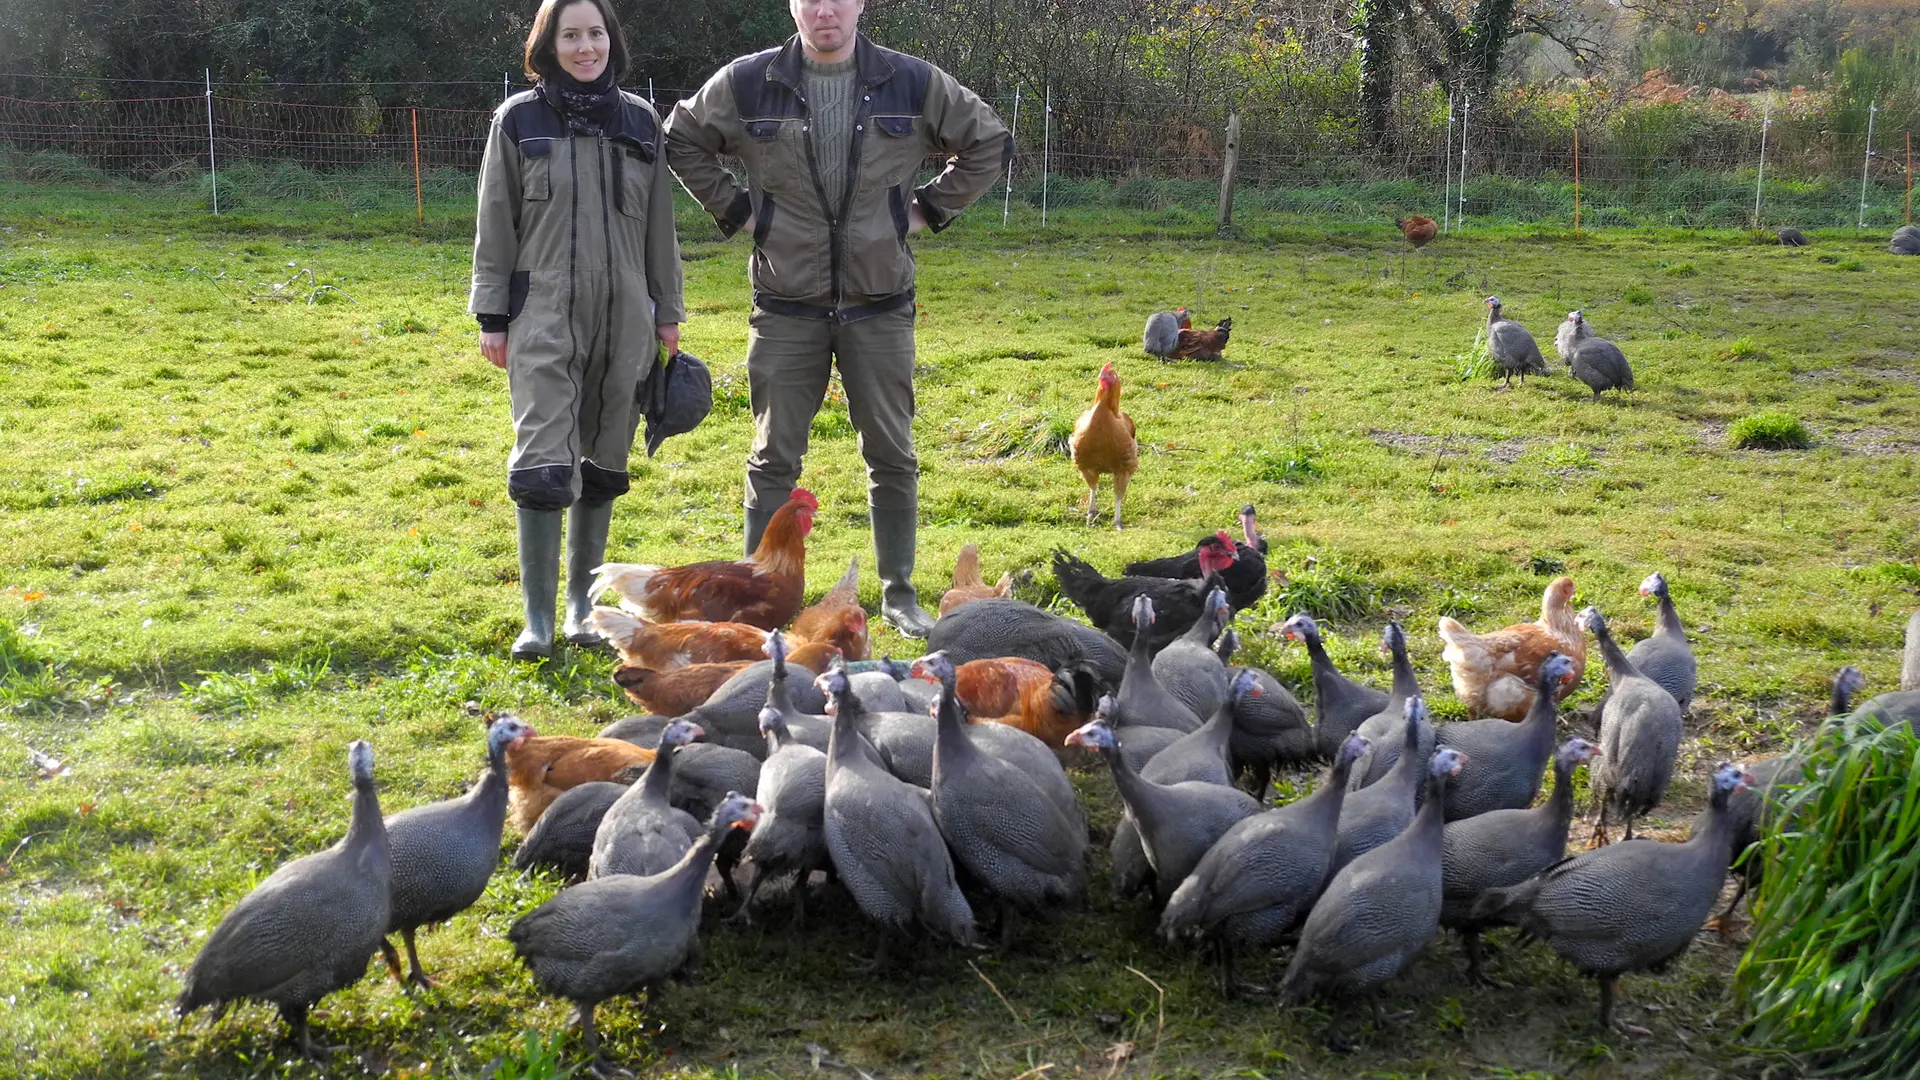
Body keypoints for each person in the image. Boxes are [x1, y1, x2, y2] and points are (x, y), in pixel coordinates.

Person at [664, 0, 1010, 637]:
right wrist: (740, 212)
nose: (826, 9)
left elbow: (989, 140)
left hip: (880, 304)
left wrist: (926, 210)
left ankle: (899, 594)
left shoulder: (912, 82)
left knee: (892, 454)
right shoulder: (748, 82)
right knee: (773, 459)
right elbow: (680, 138)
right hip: (785, 304)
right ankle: (762, 599)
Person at [469, 0, 684, 660]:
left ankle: (580, 611)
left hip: (626, 319)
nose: (585, 47)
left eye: (595, 33)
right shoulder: (518, 120)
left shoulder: (641, 122)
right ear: (549, 45)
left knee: (604, 463)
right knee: (541, 461)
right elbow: (495, 220)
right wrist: (492, 315)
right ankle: (536, 621)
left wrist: (667, 311)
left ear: (611, 40)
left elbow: (659, 227)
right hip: (541, 314)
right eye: (571, 35)